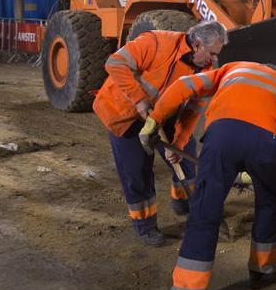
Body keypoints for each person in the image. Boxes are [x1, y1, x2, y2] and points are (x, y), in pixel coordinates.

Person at [139, 61, 276, 290]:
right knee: (269, 204)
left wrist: (154, 120)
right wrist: (264, 172)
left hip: (222, 134)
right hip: (267, 141)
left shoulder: (231, 69)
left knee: (205, 209)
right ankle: (264, 271)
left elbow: (182, 86)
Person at [92, 20, 227, 246]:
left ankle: (184, 202)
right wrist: (139, 100)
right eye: (211, 53)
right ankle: (145, 226)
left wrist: (180, 141)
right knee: (137, 170)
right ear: (196, 44)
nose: (214, 59)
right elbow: (114, 63)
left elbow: (193, 110)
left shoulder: (208, 69)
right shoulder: (155, 41)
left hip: (165, 114)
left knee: (184, 157)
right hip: (125, 114)